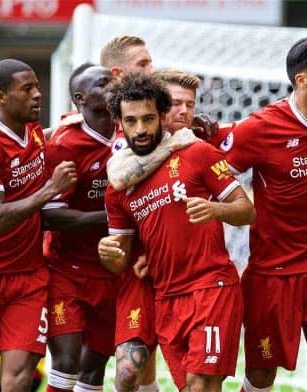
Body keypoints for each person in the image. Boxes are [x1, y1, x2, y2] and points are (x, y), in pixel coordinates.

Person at [102, 37, 307, 392]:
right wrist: (155, 243)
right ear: (301, 80)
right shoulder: (259, 129)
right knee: (259, 376)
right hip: (273, 271)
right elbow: (195, 163)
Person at [99, 74, 255, 391]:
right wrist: (108, 254)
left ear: (161, 115)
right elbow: (121, 259)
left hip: (211, 288)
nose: (140, 129)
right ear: (119, 123)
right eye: (131, 121)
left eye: (148, 118)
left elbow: (247, 210)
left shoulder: (197, 153)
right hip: (166, 299)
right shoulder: (119, 186)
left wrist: (216, 210)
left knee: (199, 386)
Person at [0, 58, 77, 391]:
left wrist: (74, 124)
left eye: (37, 86)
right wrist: (51, 189)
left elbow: (41, 142)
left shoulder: (33, 131)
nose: (38, 95)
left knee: (20, 375)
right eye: (28, 89)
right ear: (1, 98)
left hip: (28, 276)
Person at [41, 63, 118, 392]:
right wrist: (116, 216)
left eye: (113, 79)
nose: (112, 85)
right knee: (67, 362)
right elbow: (50, 216)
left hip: (114, 272)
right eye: (103, 83)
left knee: (94, 368)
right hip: (67, 272)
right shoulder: (64, 146)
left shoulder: (131, 133)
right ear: (80, 98)